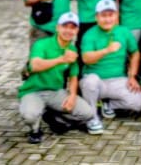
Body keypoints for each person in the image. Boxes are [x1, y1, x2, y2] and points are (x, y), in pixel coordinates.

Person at [18, 12, 94, 144]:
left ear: (77, 30)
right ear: (57, 27)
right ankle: (35, 130)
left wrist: (72, 95)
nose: (68, 31)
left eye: (72, 27)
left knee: (87, 113)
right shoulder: (42, 44)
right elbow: (35, 65)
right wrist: (61, 59)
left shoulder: (72, 50)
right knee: (30, 116)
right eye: (65, 26)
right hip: (33, 91)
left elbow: (73, 76)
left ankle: (54, 116)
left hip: (55, 92)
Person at [80, 0, 141, 135]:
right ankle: (92, 118)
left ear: (116, 15)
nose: (107, 19)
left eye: (111, 15)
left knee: (140, 102)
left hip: (117, 80)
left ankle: (107, 104)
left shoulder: (124, 31)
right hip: (97, 81)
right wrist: (106, 50)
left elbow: (135, 53)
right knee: (90, 81)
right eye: (103, 15)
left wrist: (132, 76)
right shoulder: (89, 34)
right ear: (96, 17)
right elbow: (86, 58)